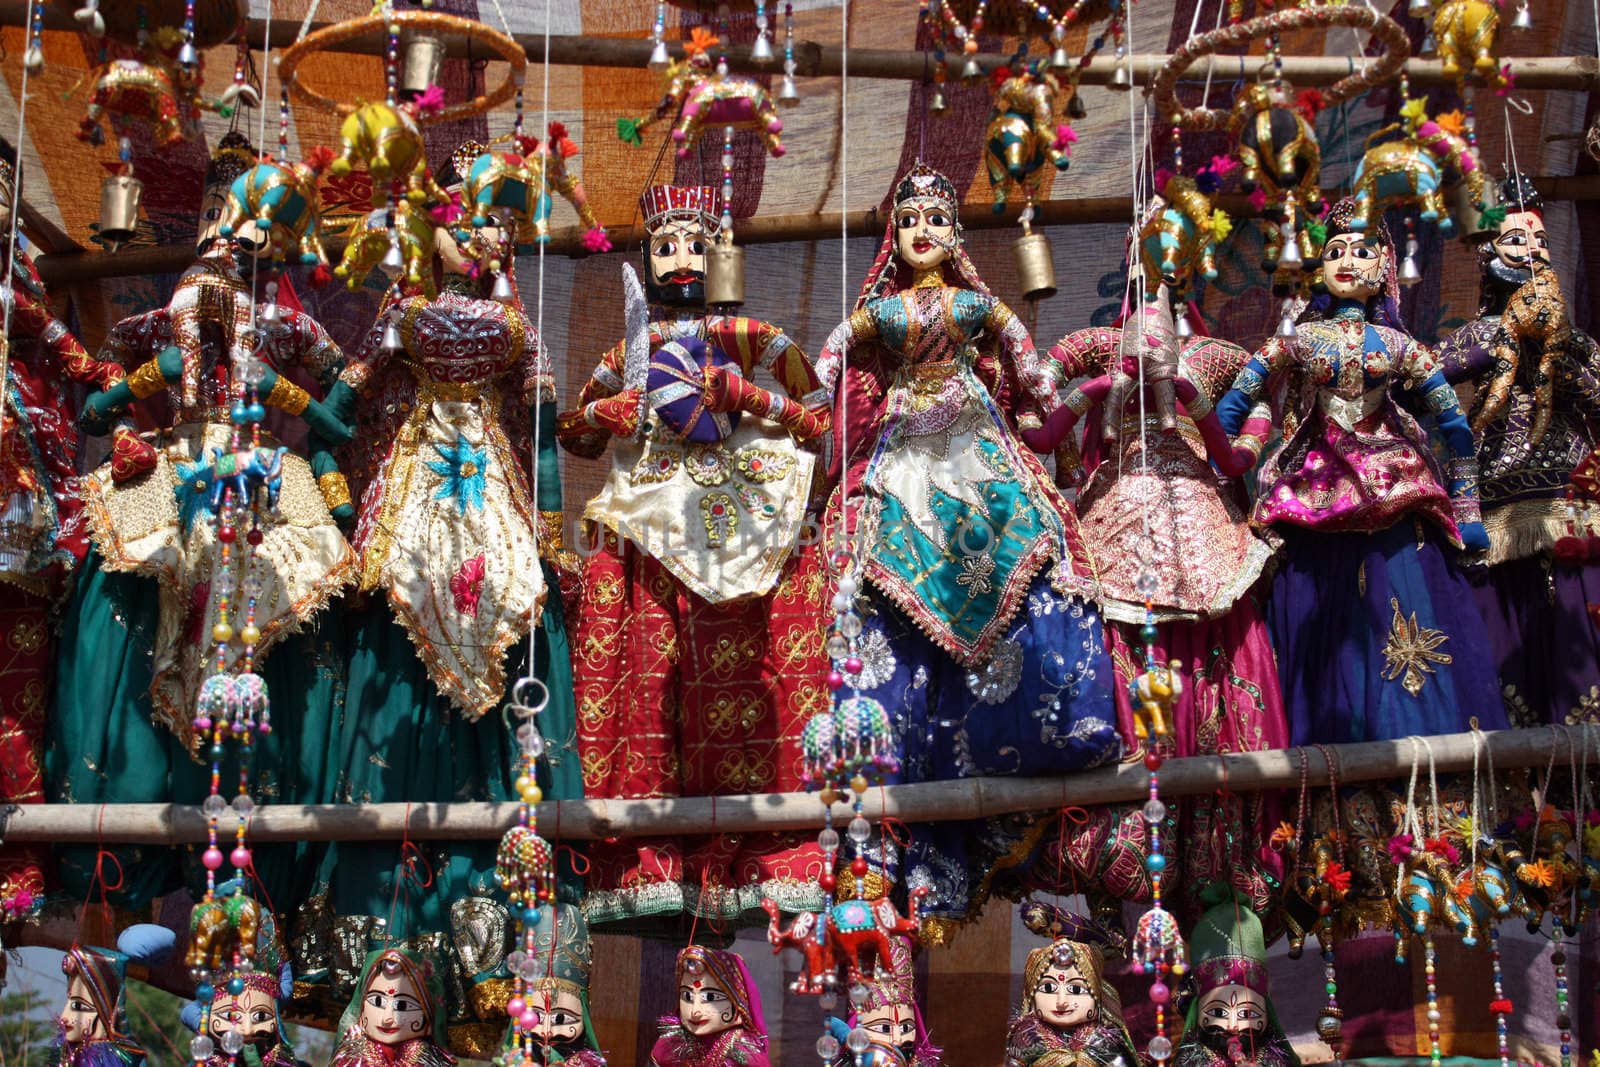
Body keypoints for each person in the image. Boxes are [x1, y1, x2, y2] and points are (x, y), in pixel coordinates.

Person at [304, 140, 579, 1015]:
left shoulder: (513, 321)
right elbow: (341, 404)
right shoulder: (403, 315)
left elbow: (537, 423)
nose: (486, 238)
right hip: (414, 500)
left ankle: (490, 949)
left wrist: (552, 522)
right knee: (399, 685)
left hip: (489, 503)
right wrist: (335, 493)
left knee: (498, 700)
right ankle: (380, 943)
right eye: (469, 221)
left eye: (497, 223)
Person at [48, 130, 354, 909]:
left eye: (253, 224)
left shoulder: (287, 326)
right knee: (128, 615)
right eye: (225, 214)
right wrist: (130, 407)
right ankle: (134, 843)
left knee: (271, 638)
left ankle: (253, 858)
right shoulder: (169, 320)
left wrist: (315, 438)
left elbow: (340, 401)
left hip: (256, 481)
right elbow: (101, 395)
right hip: (174, 469)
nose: (234, 236)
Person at [815, 161, 1119, 918]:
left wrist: (1052, 398)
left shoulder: (977, 304)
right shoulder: (883, 313)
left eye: (938, 220)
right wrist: (817, 394)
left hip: (975, 441)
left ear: (955, 237)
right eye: (911, 220)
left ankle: (1039, 721)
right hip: (903, 445)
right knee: (877, 565)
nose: (924, 231)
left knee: (1032, 539)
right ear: (896, 236)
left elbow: (1023, 356)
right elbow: (833, 357)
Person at [558, 184, 831, 923]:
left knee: (750, 671)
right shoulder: (629, 349)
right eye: (666, 245)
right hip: (649, 522)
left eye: (695, 244)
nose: (681, 258)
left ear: (718, 255)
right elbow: (575, 434)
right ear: (646, 259)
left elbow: (820, 417)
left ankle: (765, 855)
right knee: (646, 675)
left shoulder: (750, 336)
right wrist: (602, 412)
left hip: (744, 520)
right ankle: (651, 863)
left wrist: (749, 397)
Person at [1216, 197, 1505, 743]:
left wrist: (1466, 506)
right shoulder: (1298, 341)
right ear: (1319, 269)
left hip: (1397, 488)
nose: (1347, 259)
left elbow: (1454, 426)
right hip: (1313, 488)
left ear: (1383, 271)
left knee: (1406, 609)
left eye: (1363, 250)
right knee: (1319, 629)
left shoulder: (1400, 347)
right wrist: (1213, 463)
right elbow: (1236, 402)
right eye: (1334, 250)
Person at [0, 133, 137, 918]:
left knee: (20, 701)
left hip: (23, 532)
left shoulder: (22, 311)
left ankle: (21, 866)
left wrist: (117, 424)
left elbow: (96, 371)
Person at [1436, 172, 1600, 726]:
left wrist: (1561, 351)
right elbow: (1426, 378)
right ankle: (1530, 800)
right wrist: (1501, 337)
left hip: (1576, 504)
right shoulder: (1476, 337)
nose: (1531, 251)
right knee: (1511, 655)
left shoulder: (1577, 343)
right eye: (1515, 240)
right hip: (1499, 509)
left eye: (1540, 241)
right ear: (1487, 257)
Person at [1175, 887, 1300, 1067]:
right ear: (1197, 1008)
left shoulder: (1275, 1061)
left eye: (1247, 1013)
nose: (1233, 1026)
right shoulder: (1193, 1062)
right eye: (1218, 1012)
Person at [1006, 902, 1140, 1067]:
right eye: (1049, 988)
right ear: (1030, 996)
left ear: (1099, 996)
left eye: (1076, 989)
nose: (1062, 1002)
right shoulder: (1026, 1039)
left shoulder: (1104, 1043)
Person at [50, 926, 176, 1067]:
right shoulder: (65, 1057)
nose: (63, 1017)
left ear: (107, 1012)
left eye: (78, 1006)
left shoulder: (126, 1059)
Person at [329, 948, 456, 1067]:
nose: (387, 1018)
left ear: (430, 1010)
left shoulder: (429, 1059)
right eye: (377, 1001)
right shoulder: (351, 1057)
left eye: (403, 1005)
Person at [648, 946, 770, 1067]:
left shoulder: (748, 1053)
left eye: (711, 997)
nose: (695, 1011)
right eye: (687, 996)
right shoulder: (669, 1043)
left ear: (737, 1001)